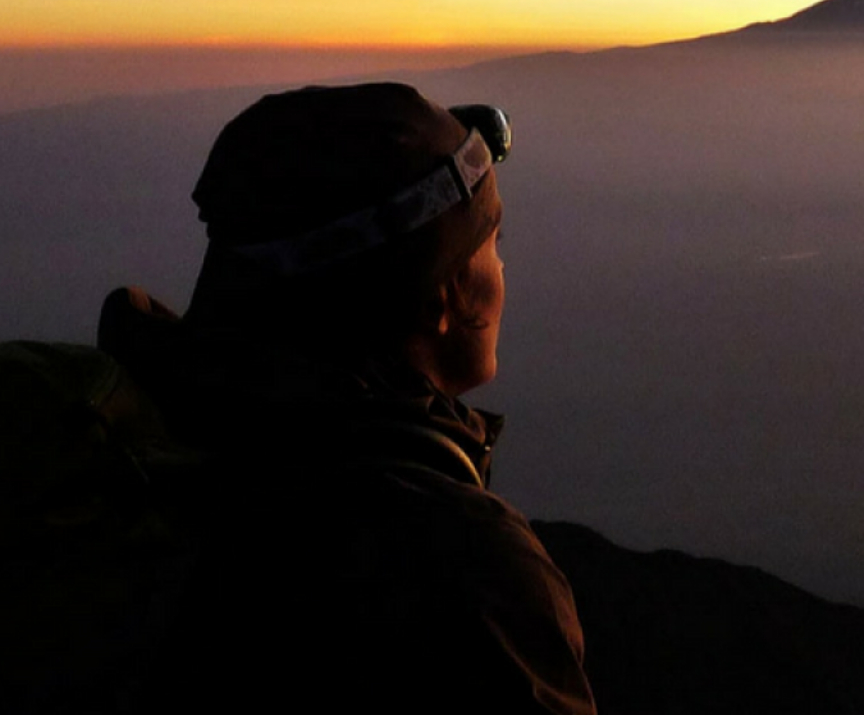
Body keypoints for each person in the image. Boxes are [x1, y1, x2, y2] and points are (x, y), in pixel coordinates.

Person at [95, 83, 597, 714]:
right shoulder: (463, 572)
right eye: (491, 245)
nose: (503, 270)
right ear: (443, 296)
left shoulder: (142, 439)